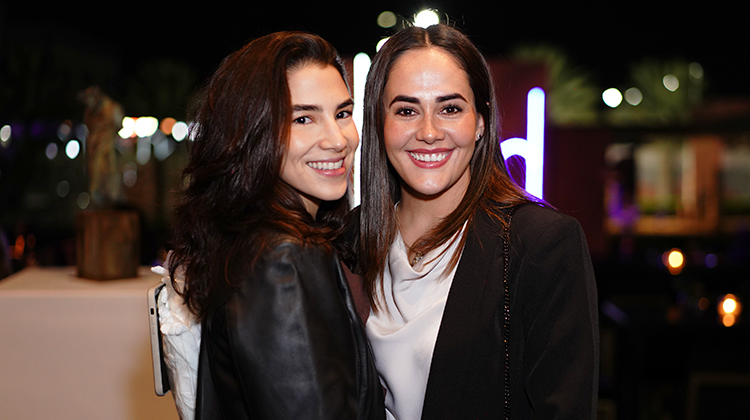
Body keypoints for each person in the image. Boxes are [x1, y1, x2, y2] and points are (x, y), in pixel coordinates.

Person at [356, 24, 599, 419]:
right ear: (379, 123)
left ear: (481, 121)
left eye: (450, 108)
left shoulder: (539, 245)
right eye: (406, 110)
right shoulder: (347, 243)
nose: (429, 132)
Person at [167, 31, 384, 420]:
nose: (337, 140)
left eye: (342, 113)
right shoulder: (281, 259)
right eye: (303, 118)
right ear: (252, 132)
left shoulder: (249, 238)